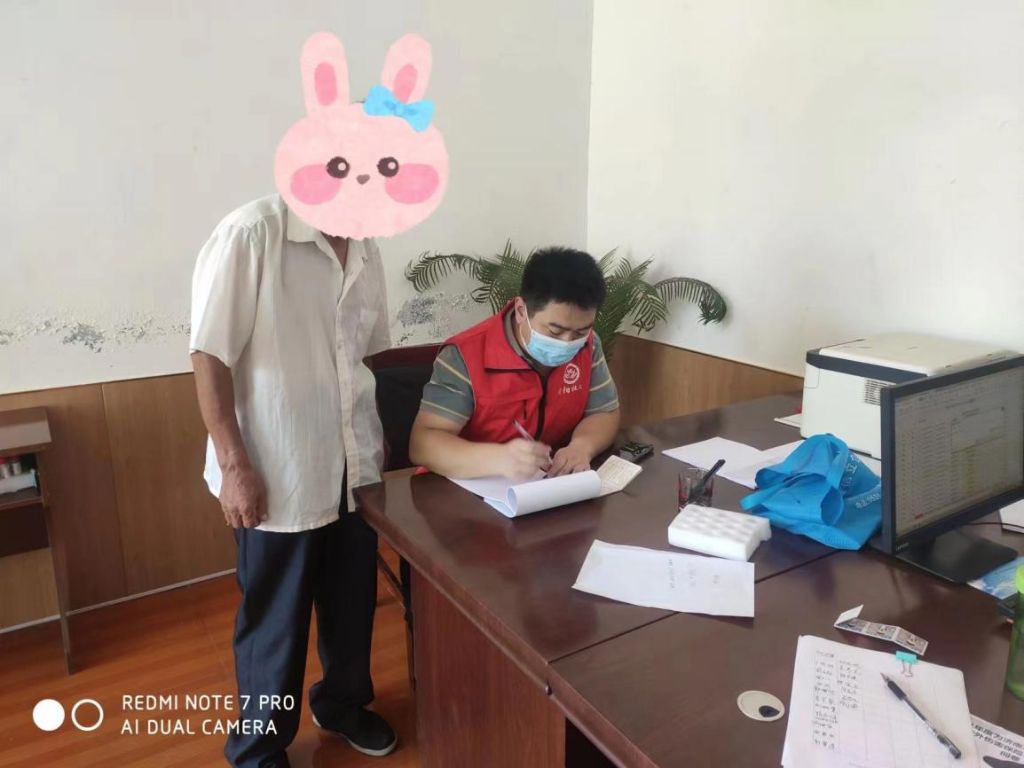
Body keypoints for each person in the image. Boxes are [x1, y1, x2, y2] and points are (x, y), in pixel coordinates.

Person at [190, 29, 450, 768]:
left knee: (350, 601)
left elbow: (361, 356)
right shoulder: (253, 234)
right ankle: (258, 748)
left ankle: (342, 705)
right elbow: (208, 355)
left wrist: (375, 446)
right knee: (274, 617)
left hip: (351, 463)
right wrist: (235, 466)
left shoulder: (367, 246)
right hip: (274, 467)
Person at [409, 247, 620, 479]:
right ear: (521, 311)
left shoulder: (588, 345)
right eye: (555, 330)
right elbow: (423, 444)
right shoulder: (465, 355)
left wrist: (581, 447)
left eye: (580, 331)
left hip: (546, 483)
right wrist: (495, 459)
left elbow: (604, 412)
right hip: (464, 485)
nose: (568, 342)